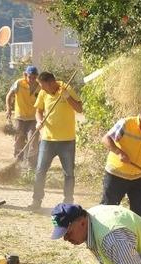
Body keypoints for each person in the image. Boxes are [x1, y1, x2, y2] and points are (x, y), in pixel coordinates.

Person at [100, 106, 141, 220]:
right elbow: (106, 139)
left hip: (138, 177)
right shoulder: (125, 124)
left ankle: (138, 231)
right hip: (116, 174)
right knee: (108, 209)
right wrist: (119, 153)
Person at [30, 72, 83, 210]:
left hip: (67, 141)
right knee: (40, 171)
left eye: (43, 85)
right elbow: (38, 111)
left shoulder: (66, 88)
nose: (42, 88)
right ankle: (36, 201)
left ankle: (68, 202)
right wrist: (39, 121)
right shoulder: (43, 93)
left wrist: (67, 97)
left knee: (69, 173)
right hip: (48, 139)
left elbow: (79, 108)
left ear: (51, 83)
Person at [5, 66, 40, 167]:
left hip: (33, 118)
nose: (32, 79)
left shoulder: (40, 86)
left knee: (33, 140)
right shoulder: (19, 83)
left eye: (34, 77)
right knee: (19, 140)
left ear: (36, 76)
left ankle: (31, 164)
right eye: (30, 77)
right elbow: (9, 95)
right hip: (20, 117)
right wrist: (8, 108)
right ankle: (18, 161)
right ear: (25, 75)